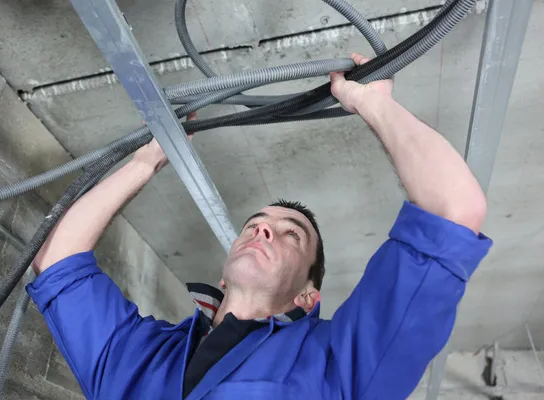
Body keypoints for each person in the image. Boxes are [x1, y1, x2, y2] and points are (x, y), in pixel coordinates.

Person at [27, 53, 492, 400]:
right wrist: (146, 162)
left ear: (308, 297)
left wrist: (373, 105)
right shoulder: (141, 354)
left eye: (292, 234)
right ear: (223, 276)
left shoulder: (339, 366)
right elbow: (56, 261)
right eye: (254, 224)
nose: (263, 230)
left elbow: (453, 209)